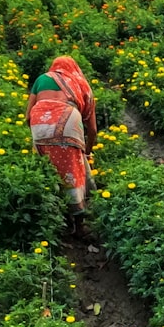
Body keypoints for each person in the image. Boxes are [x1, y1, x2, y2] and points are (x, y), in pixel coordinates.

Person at [26, 56, 98, 233]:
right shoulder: (81, 84)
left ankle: (55, 217)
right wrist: (86, 153)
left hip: (39, 119)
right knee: (73, 170)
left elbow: (28, 116)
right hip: (68, 119)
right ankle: (79, 224)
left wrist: (40, 136)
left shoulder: (42, 79)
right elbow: (93, 130)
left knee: (47, 169)